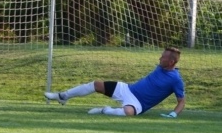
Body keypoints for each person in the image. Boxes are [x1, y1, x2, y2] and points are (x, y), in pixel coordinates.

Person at [44, 47, 186, 117]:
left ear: (171, 61)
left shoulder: (176, 80)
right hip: (127, 89)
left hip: (138, 103)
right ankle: (62, 96)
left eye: (163, 58)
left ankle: (104, 110)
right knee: (96, 84)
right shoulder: (161, 67)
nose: (159, 59)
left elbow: (181, 101)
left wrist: (173, 114)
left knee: (129, 112)